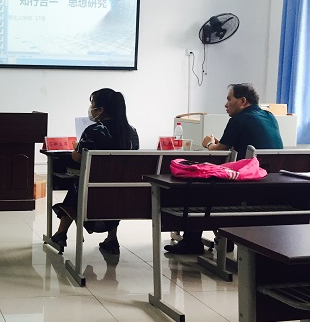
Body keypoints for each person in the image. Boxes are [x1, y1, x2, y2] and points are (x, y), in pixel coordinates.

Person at [165, 83, 283, 254]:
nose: (226, 105)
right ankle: (225, 239)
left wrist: (208, 143)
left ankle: (191, 243)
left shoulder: (238, 120)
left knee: (199, 187)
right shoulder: (269, 116)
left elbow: (219, 149)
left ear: (243, 101)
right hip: (272, 185)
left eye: (229, 99)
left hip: (247, 188)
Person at [50, 88, 139, 255]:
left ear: (101, 110)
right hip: (121, 191)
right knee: (105, 191)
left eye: (92, 105)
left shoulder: (94, 130)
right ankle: (111, 238)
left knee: (78, 187)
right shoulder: (131, 132)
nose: (91, 109)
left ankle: (61, 233)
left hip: (93, 190)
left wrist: (76, 147)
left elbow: (78, 158)